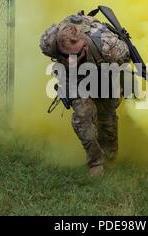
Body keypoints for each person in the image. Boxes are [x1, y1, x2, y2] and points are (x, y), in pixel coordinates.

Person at [40, 14, 130, 177]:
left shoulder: (109, 47)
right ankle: (96, 162)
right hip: (73, 78)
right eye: (65, 55)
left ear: (85, 47)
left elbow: (124, 65)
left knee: (107, 119)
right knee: (83, 116)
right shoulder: (49, 42)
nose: (71, 60)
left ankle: (110, 159)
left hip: (104, 75)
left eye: (75, 55)